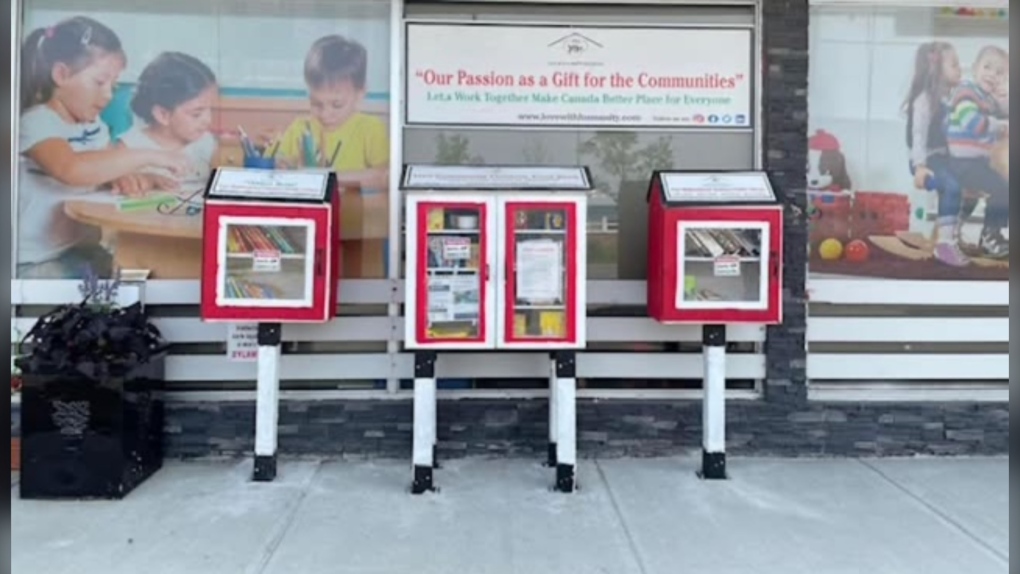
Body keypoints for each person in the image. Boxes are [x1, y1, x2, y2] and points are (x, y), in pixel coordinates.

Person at [17, 16, 189, 279]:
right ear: (61, 75)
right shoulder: (37, 122)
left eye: (114, 85)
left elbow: (105, 167)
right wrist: (148, 156)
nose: (108, 94)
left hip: (78, 249)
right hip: (34, 260)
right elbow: (71, 169)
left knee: (139, 270)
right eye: (99, 82)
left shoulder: (94, 125)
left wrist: (137, 177)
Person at [268, 35, 388, 188]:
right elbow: (274, 167)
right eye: (316, 104)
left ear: (360, 94)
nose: (325, 114)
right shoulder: (301, 128)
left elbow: (383, 175)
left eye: (337, 105)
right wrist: (280, 165)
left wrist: (326, 178)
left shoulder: (371, 129)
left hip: (354, 211)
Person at [114, 51, 219, 195]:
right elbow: (110, 182)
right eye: (197, 114)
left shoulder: (206, 143)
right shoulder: (129, 145)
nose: (208, 120)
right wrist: (146, 179)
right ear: (163, 115)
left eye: (210, 109)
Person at [903, 41, 968, 266]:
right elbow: (918, 135)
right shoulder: (924, 100)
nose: (960, 68)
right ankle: (945, 244)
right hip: (927, 159)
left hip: (946, 158)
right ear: (936, 69)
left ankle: (949, 233)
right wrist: (920, 166)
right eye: (954, 64)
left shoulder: (951, 98)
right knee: (951, 187)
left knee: (970, 187)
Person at [945, 45, 1010, 259]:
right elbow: (972, 123)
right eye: (988, 67)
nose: (992, 74)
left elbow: (1006, 109)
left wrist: (1005, 95)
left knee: (970, 197)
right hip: (962, 162)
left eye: (1000, 72)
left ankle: (951, 234)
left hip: (975, 162)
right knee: (1002, 189)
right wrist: (998, 126)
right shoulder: (966, 91)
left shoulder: (987, 98)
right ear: (975, 69)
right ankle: (990, 237)